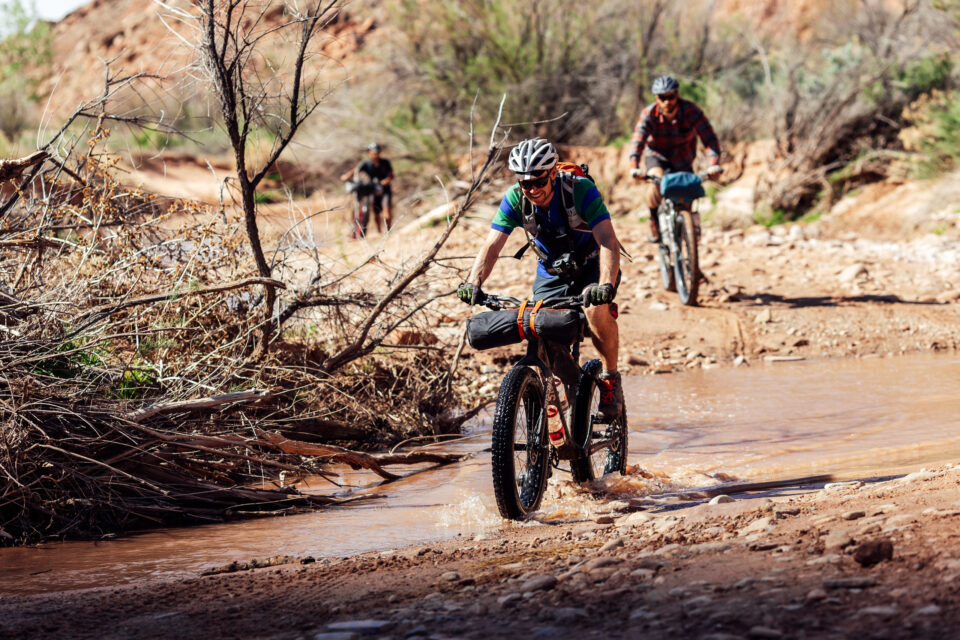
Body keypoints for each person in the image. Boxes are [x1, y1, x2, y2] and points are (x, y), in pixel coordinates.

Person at [457, 138, 624, 418]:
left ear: (553, 174)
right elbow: (492, 245)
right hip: (552, 271)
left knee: (596, 311)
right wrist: (473, 282)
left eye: (538, 181)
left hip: (593, 265)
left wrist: (605, 285)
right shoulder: (515, 198)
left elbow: (608, 239)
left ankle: (609, 380)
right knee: (540, 324)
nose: (532, 189)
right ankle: (568, 388)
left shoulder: (580, 190)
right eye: (525, 184)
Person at [629, 75, 722, 243]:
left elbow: (710, 139)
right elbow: (638, 140)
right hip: (657, 156)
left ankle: (690, 258)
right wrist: (634, 166)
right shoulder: (649, 114)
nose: (667, 102)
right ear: (656, 98)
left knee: (687, 198)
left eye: (671, 96)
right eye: (662, 98)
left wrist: (714, 164)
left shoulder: (691, 111)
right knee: (655, 181)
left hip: (683, 158)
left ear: (677, 95)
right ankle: (654, 220)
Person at [340, 142, 394, 235]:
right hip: (374, 189)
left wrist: (386, 181)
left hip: (385, 190)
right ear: (369, 153)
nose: (375, 155)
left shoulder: (385, 162)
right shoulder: (366, 163)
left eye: (377, 152)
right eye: (373, 152)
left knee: (386, 212)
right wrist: (346, 176)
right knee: (376, 212)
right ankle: (379, 231)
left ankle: (389, 230)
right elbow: (356, 170)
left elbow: (391, 175)